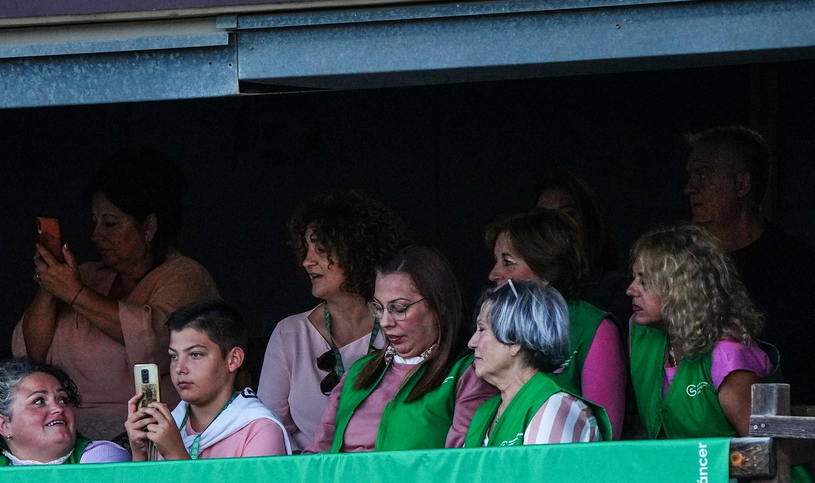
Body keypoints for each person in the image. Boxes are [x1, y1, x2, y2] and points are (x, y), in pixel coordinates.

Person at [14, 150, 219, 442]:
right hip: (65, 431)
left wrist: (75, 294)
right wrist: (51, 284)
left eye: (110, 223)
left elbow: (160, 337)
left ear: (148, 227)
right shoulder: (87, 275)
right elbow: (31, 352)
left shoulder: (185, 276)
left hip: (152, 433)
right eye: (95, 222)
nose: (96, 235)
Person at [683, 126, 815, 406]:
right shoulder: (683, 262)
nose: (690, 187)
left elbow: (798, 364)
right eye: (690, 176)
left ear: (741, 185)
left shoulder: (797, 264)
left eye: (702, 174)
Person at [259, 190, 410, 452]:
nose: (307, 262)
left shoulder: (401, 325)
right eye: (305, 250)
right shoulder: (289, 333)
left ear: (358, 251)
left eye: (322, 249)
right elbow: (269, 426)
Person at [309, 246, 495, 453]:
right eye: (378, 308)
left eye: (398, 309)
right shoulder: (360, 370)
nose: (385, 322)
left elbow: (462, 464)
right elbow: (317, 455)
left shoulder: (468, 373)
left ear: (439, 306)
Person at [485, 209, 627, 436]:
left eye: (508, 262)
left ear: (547, 269)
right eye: (496, 261)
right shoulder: (492, 323)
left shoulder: (595, 329)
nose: (493, 274)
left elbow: (604, 439)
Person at [625, 223, 774, 440]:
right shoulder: (641, 334)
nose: (630, 289)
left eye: (644, 282)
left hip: (744, 473)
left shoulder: (728, 355)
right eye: (634, 278)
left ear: (682, 289)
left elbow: (764, 454)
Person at [125, 301, 290, 460]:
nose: (179, 368)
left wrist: (175, 453)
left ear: (233, 359)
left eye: (195, 354)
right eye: (174, 356)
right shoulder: (167, 425)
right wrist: (141, 454)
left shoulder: (259, 428)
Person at [465, 280, 608, 447]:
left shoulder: (554, 406)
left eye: (482, 329)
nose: (471, 342)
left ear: (515, 340)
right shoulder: (486, 412)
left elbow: (543, 473)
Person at [0, 359, 130, 465]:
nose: (58, 408)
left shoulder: (103, 457)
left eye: (62, 399)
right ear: (4, 425)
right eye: (39, 401)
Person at [531, 170, 631, 321]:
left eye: (567, 214)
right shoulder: (524, 287)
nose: (555, 224)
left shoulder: (621, 292)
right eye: (543, 217)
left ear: (589, 221)